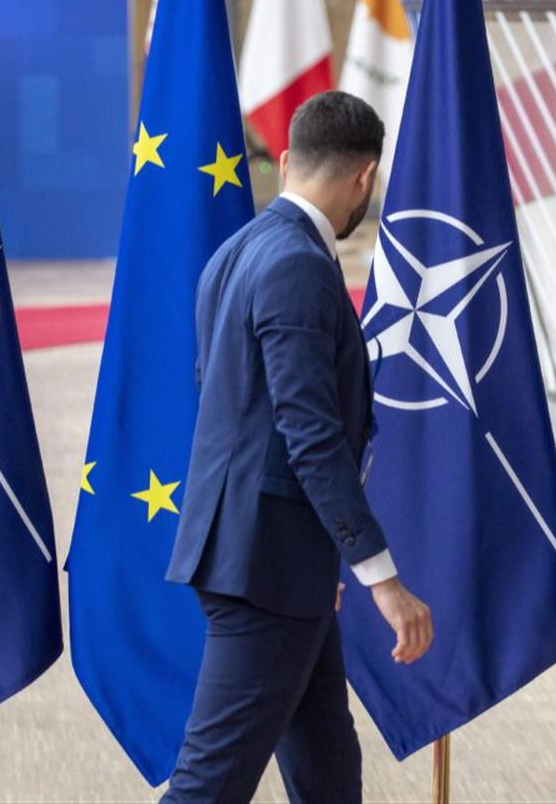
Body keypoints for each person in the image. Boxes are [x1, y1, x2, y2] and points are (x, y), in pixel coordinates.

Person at [163, 91, 434, 804]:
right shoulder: (299, 265)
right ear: (365, 179)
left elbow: (224, 398)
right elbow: (307, 431)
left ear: (286, 160)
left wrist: (316, 555)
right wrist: (383, 577)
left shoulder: (234, 253)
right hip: (263, 572)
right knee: (207, 786)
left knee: (328, 774)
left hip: (275, 564)